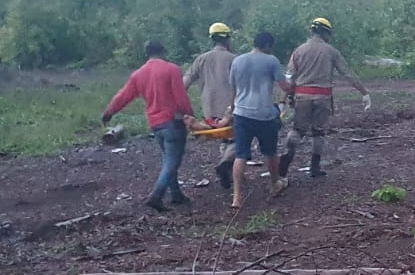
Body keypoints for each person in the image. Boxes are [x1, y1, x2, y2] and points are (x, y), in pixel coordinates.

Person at [102, 40, 196, 212]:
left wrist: (109, 112)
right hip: (172, 122)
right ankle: (156, 196)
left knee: (168, 158)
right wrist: (191, 116)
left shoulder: (138, 74)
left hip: (155, 123)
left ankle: (176, 195)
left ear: (147, 53)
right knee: (172, 161)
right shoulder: (171, 69)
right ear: (163, 51)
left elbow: (124, 96)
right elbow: (181, 97)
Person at [279, 17, 371, 178]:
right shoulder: (331, 52)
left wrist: (282, 100)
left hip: (302, 96)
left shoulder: (298, 51)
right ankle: (315, 167)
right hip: (323, 97)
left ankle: (288, 155)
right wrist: (364, 92)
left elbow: (289, 78)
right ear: (326, 33)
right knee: (318, 132)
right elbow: (347, 73)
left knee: (298, 130)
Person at [228, 31, 293, 209]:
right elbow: (284, 86)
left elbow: (233, 90)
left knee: (240, 155)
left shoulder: (238, 60)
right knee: (270, 152)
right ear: (268, 45)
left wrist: (232, 110)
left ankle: (236, 197)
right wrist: (292, 86)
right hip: (264, 113)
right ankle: (275, 183)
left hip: (241, 113)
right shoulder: (271, 60)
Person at [183, 22, 237, 188]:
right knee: (237, 140)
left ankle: (227, 170)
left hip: (209, 109)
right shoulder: (234, 59)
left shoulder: (201, 59)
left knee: (222, 138)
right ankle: (226, 163)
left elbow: (184, 82)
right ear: (227, 39)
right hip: (230, 107)